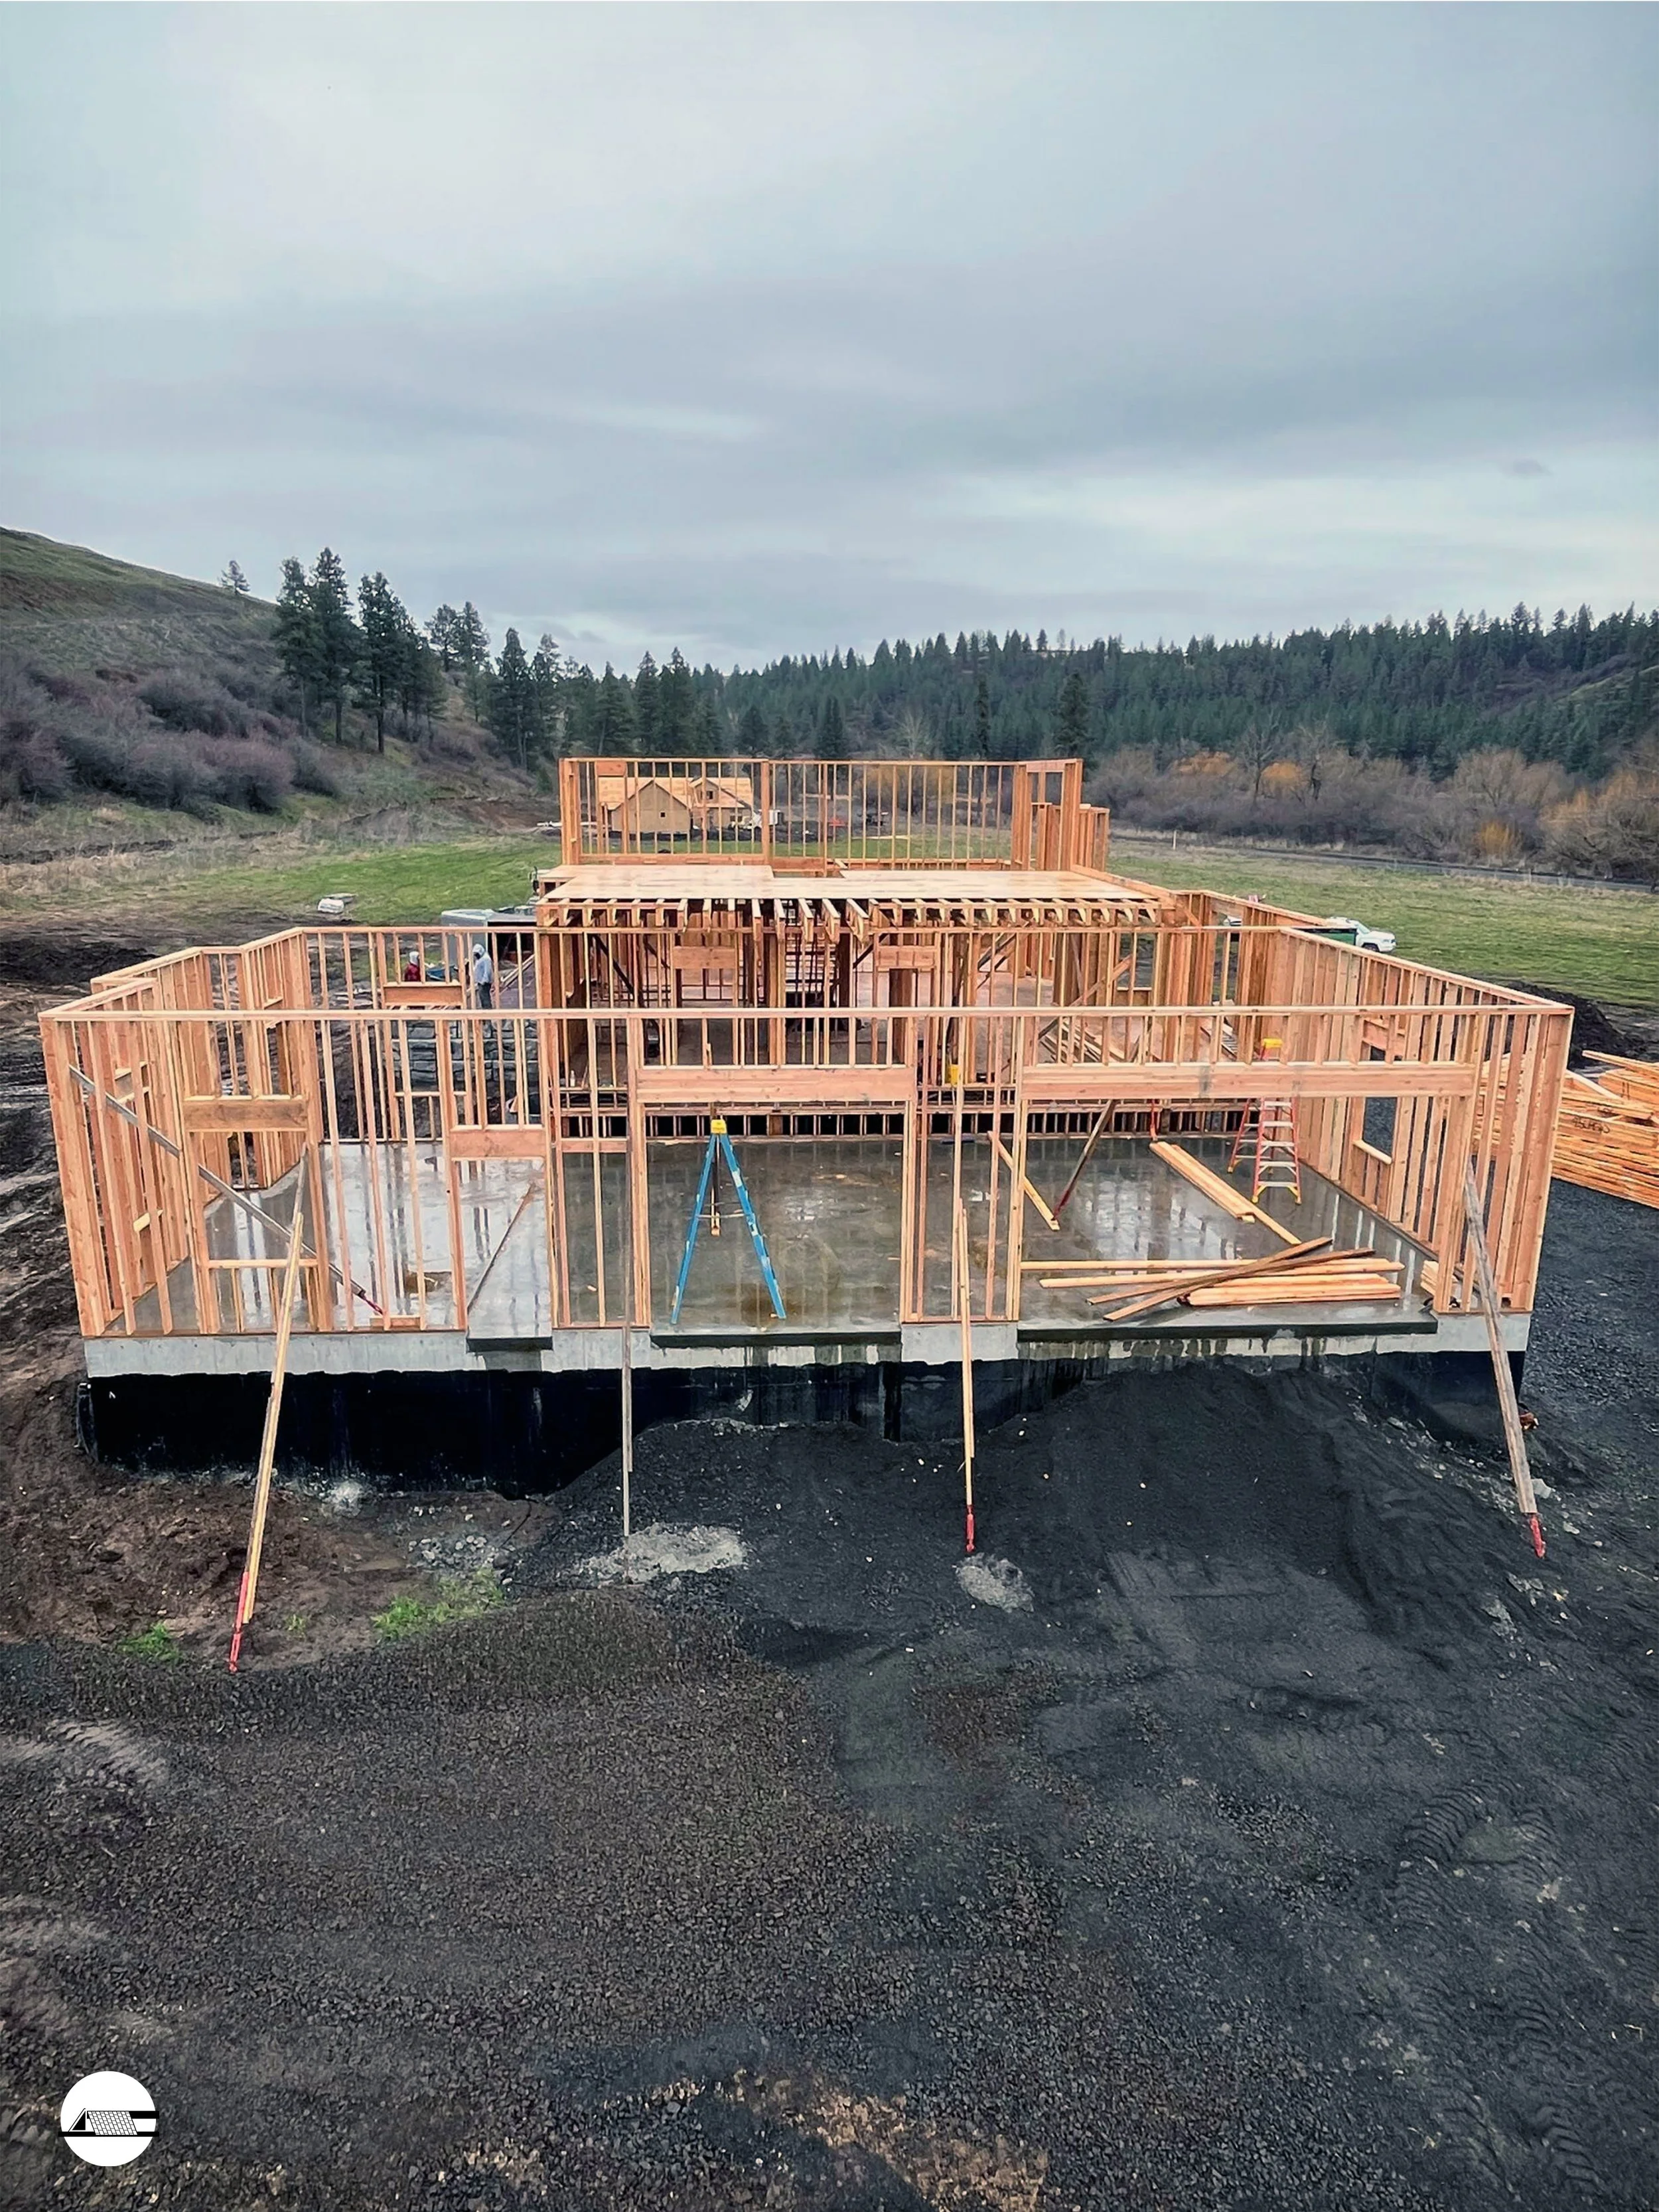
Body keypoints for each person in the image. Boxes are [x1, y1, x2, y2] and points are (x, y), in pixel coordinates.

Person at [471, 939, 494, 1009]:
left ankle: (488, 1016)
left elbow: (488, 971)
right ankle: (485, 1015)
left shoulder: (486, 959)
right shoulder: (480, 958)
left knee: (485, 999)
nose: (476, 956)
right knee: (482, 999)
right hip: (480, 982)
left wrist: (484, 981)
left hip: (484, 983)